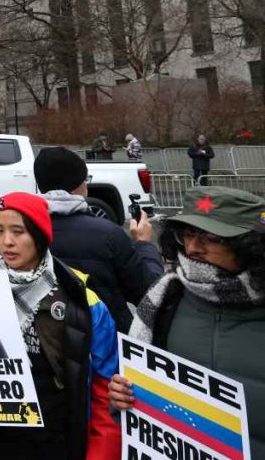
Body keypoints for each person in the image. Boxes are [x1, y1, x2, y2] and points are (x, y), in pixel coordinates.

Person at [0, 192, 120, 460]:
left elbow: (104, 389)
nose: (7, 242)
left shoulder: (81, 300)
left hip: (54, 441)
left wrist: (101, 453)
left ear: (40, 235)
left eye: (19, 231)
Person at [108, 186, 265, 457]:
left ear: (249, 244)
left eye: (211, 238)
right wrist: (123, 397)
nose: (193, 248)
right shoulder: (164, 300)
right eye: (188, 234)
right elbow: (141, 405)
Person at [34, 146, 163, 332]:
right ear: (78, 184)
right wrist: (143, 244)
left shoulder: (27, 232)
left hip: (49, 338)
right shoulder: (108, 234)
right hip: (108, 338)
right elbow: (149, 295)